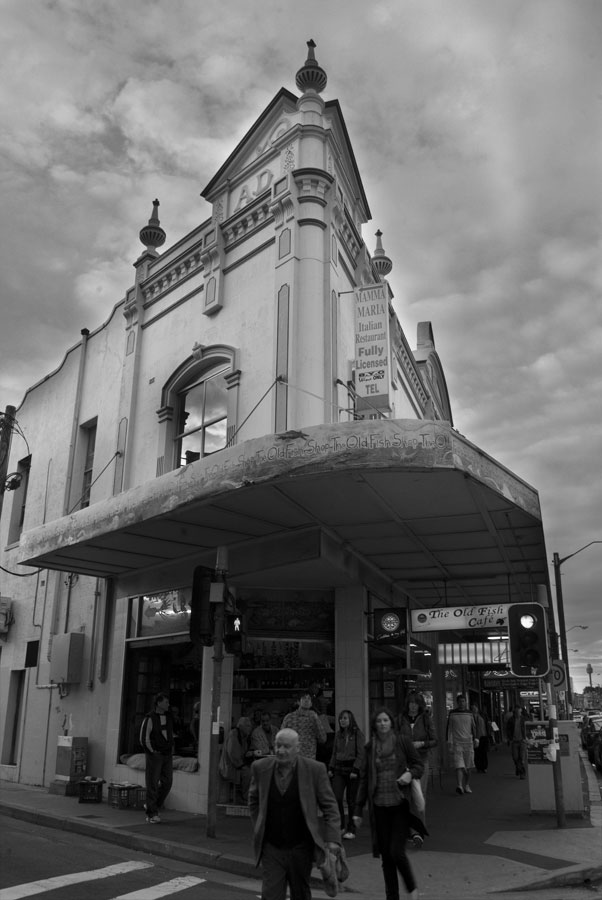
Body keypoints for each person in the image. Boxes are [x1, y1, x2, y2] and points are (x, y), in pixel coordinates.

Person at [248, 727, 342, 900]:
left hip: (301, 848)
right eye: (278, 745)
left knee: (301, 893)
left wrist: (333, 839)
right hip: (272, 848)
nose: (281, 750)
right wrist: (259, 825)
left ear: (297, 748)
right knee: (270, 894)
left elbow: (330, 806)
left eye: (286, 746)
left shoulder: (315, 770)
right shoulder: (260, 768)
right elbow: (253, 800)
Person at [352, 707, 424, 900]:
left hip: (400, 805)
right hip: (379, 807)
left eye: (386, 720)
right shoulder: (370, 748)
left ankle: (412, 889)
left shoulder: (402, 742)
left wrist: (410, 774)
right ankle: (391, 896)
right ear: (375, 725)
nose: (382, 724)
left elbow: (419, 765)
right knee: (386, 857)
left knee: (396, 852)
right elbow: (364, 779)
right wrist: (358, 809)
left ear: (391, 722)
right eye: (379, 721)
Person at [397, 692, 437, 846]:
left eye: (415, 703)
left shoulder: (426, 719)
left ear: (420, 705)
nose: (412, 706)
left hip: (421, 760)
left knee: (419, 795)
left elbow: (435, 740)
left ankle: (417, 831)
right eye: (410, 703)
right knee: (404, 796)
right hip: (403, 762)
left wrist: (422, 744)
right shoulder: (400, 719)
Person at [328, 709, 365, 840]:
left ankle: (351, 828)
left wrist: (355, 770)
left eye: (345, 718)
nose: (342, 720)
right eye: (341, 718)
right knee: (336, 797)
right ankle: (341, 826)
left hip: (352, 770)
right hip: (339, 768)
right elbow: (334, 753)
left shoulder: (357, 734)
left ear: (350, 720)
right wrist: (331, 767)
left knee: (351, 800)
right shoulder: (338, 734)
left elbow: (361, 754)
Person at [140, 691, 174, 824]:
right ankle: (152, 813)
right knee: (152, 783)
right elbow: (144, 738)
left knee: (168, 782)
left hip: (167, 754)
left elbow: (169, 733)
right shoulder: (149, 718)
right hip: (155, 754)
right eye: (166, 702)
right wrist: (152, 751)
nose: (168, 704)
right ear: (159, 703)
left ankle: (151, 805)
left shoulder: (169, 717)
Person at [446, 694, 477, 795]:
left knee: (468, 766)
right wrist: (449, 742)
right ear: (457, 702)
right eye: (460, 701)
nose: (461, 703)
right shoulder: (452, 713)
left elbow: (474, 727)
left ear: (465, 702)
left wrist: (476, 739)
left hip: (468, 743)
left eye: (463, 701)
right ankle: (459, 785)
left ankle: (467, 785)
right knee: (459, 766)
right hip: (457, 743)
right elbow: (449, 728)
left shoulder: (470, 713)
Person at [282, 691, 327, 759]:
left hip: (309, 759)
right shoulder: (289, 718)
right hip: (292, 758)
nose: (306, 700)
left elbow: (323, 739)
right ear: (298, 702)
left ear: (311, 703)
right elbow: (281, 739)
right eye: (304, 698)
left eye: (309, 698)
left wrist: (316, 719)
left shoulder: (314, 717)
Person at [222, 716, 257, 802]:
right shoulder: (234, 735)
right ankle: (246, 797)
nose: (250, 728)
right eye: (247, 726)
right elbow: (234, 756)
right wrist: (243, 765)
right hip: (231, 766)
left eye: (250, 726)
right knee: (249, 773)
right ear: (241, 727)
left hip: (238, 764)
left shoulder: (244, 737)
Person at [506, 705, 527, 779]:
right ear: (515, 712)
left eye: (520, 711)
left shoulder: (524, 719)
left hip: (522, 741)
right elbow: (508, 730)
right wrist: (509, 738)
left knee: (521, 757)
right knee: (515, 757)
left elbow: (527, 728)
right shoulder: (511, 720)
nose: (519, 713)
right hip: (514, 741)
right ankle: (519, 768)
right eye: (518, 711)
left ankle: (522, 772)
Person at [471, 703, 489, 773]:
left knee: (483, 752)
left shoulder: (482, 716)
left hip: (483, 736)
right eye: (472, 708)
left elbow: (486, 724)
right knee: (477, 753)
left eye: (475, 708)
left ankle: (484, 767)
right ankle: (479, 767)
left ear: (477, 708)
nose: (474, 709)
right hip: (476, 737)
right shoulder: (471, 717)